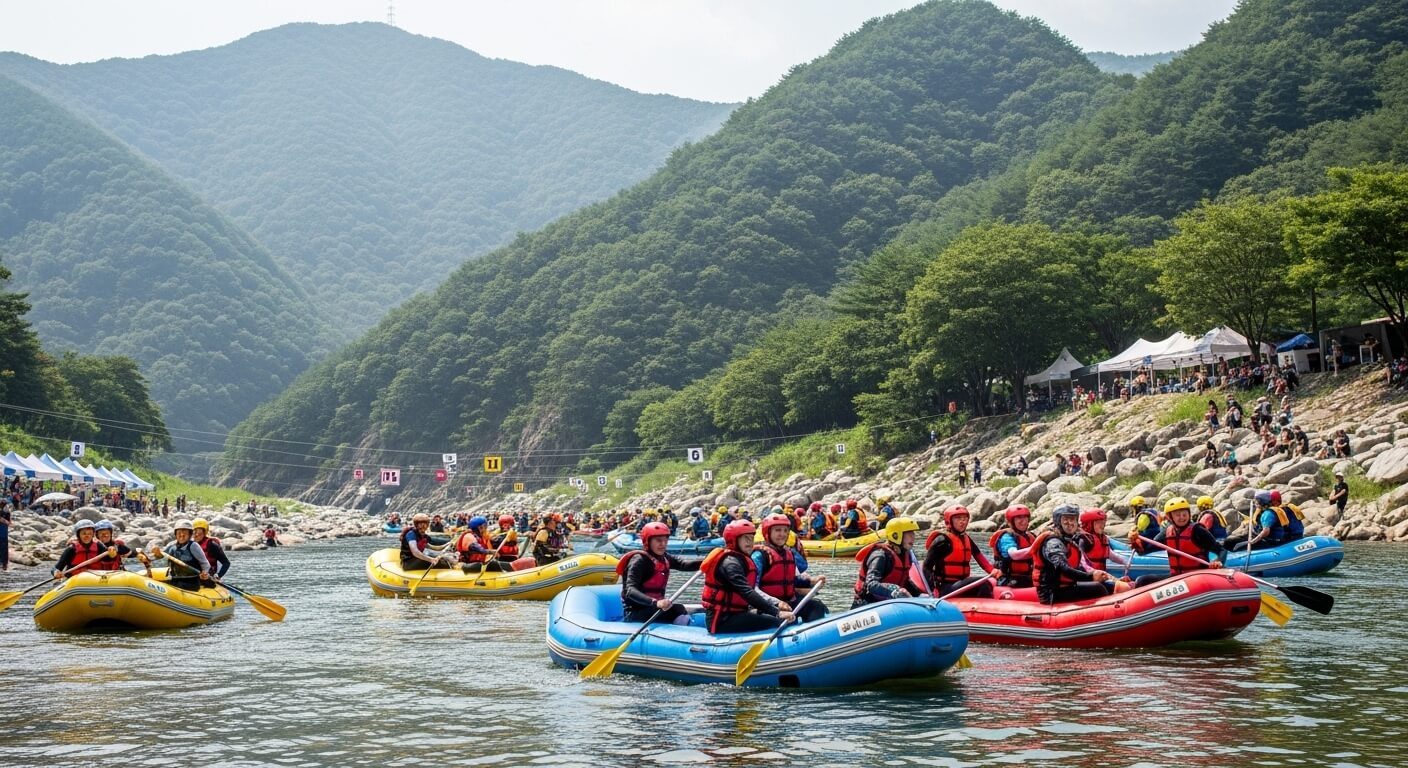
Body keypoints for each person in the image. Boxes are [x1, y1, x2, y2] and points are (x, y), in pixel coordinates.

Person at [701, 520, 791, 633]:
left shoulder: (741, 559)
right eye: (745, 538)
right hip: (721, 620)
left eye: (751, 538)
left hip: (739, 613)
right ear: (734, 540)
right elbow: (747, 591)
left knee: (774, 618)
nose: (750, 542)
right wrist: (776, 612)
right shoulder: (730, 563)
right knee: (777, 622)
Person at [618, 521, 704, 625]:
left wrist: (706, 561)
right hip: (635, 613)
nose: (663, 544)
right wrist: (655, 602)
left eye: (665, 540)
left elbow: (683, 564)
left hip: (653, 609)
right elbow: (630, 590)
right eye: (658, 540)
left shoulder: (664, 558)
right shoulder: (639, 561)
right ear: (647, 541)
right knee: (676, 610)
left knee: (679, 608)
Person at [1130, 497, 1225, 586]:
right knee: (1141, 580)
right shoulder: (1167, 532)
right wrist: (1136, 542)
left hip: (1198, 576)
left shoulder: (1198, 530)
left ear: (1189, 514)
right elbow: (1145, 550)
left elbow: (1221, 550)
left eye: (1184, 514)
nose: (1182, 517)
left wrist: (1218, 561)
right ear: (1170, 517)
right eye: (1178, 515)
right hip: (1177, 577)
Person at [752, 514, 827, 622]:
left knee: (816, 607)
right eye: (778, 530)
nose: (782, 534)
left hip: (788, 602)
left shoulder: (789, 553)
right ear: (768, 532)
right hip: (768, 605)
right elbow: (752, 588)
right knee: (783, 618)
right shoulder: (759, 556)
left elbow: (792, 580)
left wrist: (811, 581)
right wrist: (776, 602)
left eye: (785, 530)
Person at [1033, 506, 1113, 604]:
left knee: (1107, 586)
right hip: (1052, 593)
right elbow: (1062, 567)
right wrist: (1090, 577)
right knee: (1099, 589)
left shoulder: (1069, 540)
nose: (1070, 523)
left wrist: (1096, 574)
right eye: (1065, 519)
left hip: (1067, 586)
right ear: (1058, 522)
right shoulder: (1053, 542)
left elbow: (1079, 567)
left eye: (1072, 520)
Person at [922, 505, 999, 598]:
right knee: (983, 584)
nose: (962, 521)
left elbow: (979, 556)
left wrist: (992, 571)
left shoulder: (966, 538)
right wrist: (932, 590)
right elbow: (926, 567)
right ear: (949, 521)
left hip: (962, 584)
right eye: (958, 518)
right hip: (946, 587)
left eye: (965, 518)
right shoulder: (942, 540)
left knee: (989, 583)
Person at [852, 518, 925, 608]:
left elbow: (905, 581)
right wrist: (893, 590)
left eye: (913, 533)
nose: (913, 537)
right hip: (866, 604)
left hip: (887, 604)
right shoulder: (880, 555)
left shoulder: (905, 555)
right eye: (909, 533)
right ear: (896, 535)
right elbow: (871, 584)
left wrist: (918, 595)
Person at [151, 520, 212, 590]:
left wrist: (205, 573)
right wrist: (155, 554)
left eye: (185, 533)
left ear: (190, 534)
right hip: (175, 579)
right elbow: (160, 556)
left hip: (191, 582)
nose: (182, 535)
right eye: (179, 533)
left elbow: (205, 563)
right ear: (176, 534)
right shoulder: (172, 547)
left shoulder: (193, 546)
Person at [988, 506, 1036, 588]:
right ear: (1011, 521)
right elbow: (1014, 554)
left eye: (1025, 518)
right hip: (1008, 579)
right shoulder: (1007, 537)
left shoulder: (1031, 537)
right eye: (1019, 518)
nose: (1023, 521)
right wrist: (1035, 548)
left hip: (1028, 577)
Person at [1223, 491, 1287, 551]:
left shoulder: (1268, 514)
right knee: (1230, 540)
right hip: (1264, 537)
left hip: (1270, 541)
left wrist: (1254, 540)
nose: (1255, 504)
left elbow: (1266, 531)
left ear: (1261, 503)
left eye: (1256, 502)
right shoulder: (1265, 510)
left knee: (1234, 544)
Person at [1075, 508, 1128, 578]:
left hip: (1100, 576)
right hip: (1088, 576)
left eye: (1103, 523)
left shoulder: (1102, 538)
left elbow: (1110, 554)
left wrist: (1124, 562)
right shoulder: (1084, 540)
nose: (1102, 526)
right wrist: (1093, 572)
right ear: (1089, 524)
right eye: (1098, 523)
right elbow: (1081, 561)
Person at [0, 502, 10, 571]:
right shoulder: (6, 513)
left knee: (3, 548)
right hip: (3, 533)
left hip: (3, 533)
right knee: (4, 549)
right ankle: (4, 564)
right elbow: (8, 522)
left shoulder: (6, 513)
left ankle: (4, 564)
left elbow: (8, 522)